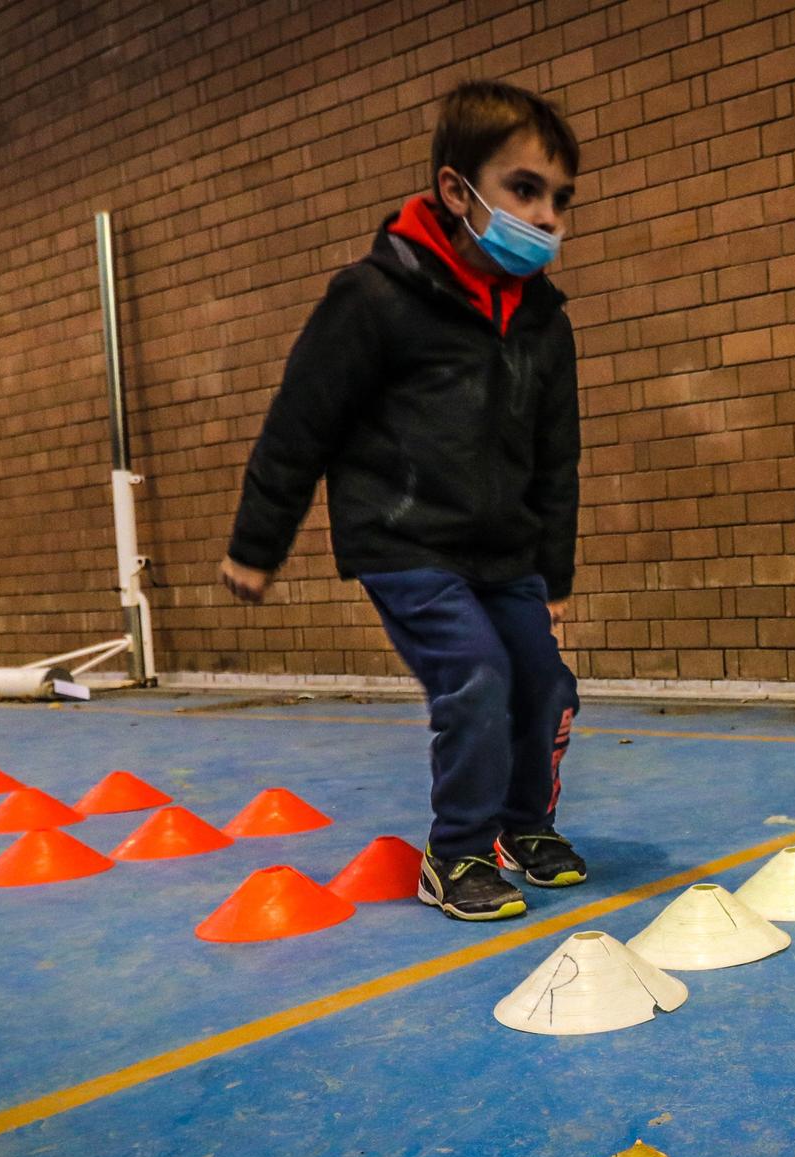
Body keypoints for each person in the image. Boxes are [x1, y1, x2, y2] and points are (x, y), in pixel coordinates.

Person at [219, 81, 585, 921]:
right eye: (524, 190)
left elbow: (556, 456)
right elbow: (299, 424)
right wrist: (256, 543)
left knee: (545, 682)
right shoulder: (375, 298)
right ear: (457, 191)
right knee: (476, 674)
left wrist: (553, 571)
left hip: (505, 549)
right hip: (404, 538)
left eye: (560, 199)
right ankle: (455, 852)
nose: (549, 216)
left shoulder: (544, 322)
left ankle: (524, 827)